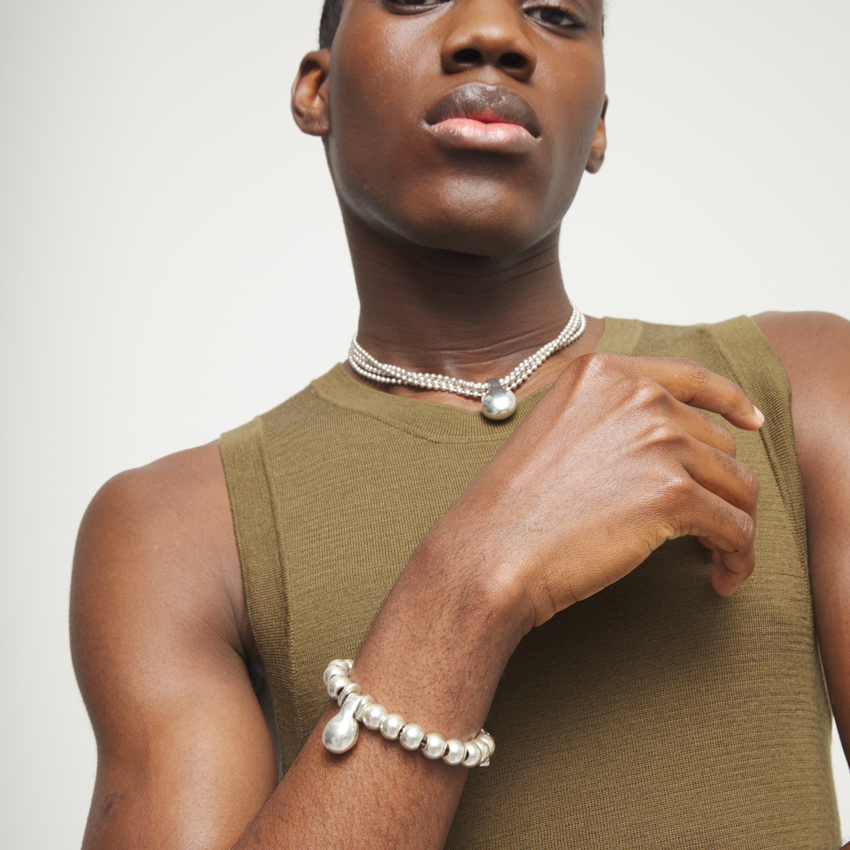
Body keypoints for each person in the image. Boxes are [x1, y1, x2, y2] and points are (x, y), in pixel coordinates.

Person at [70, 1, 850, 847]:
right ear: (318, 90)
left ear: (597, 125)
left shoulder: (801, 385)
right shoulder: (174, 529)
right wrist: (474, 577)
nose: (496, 36)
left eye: (554, 13)